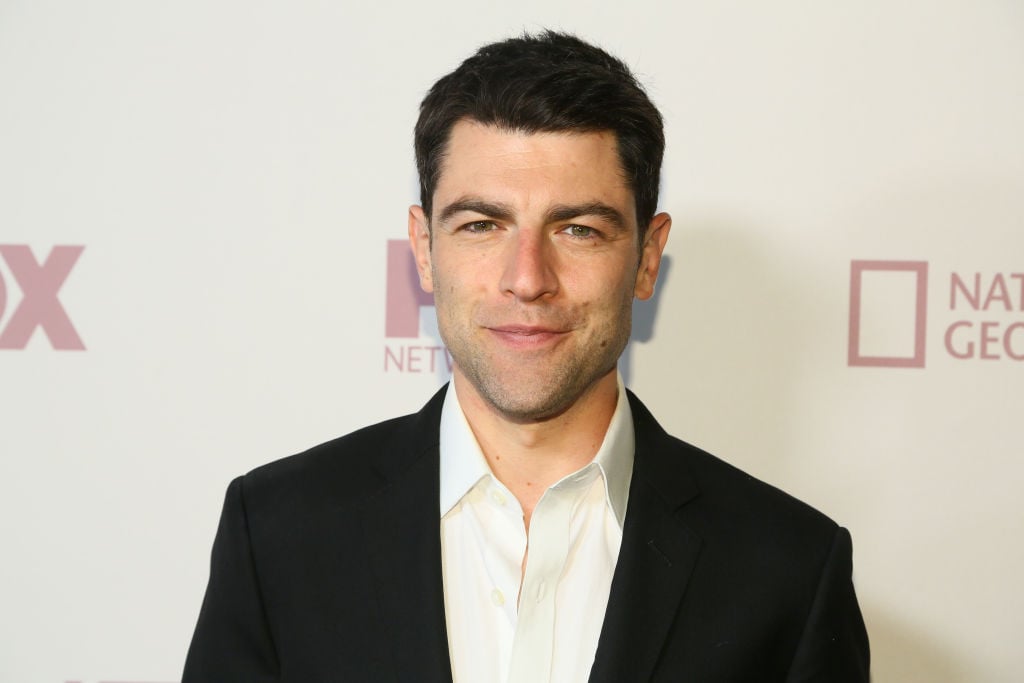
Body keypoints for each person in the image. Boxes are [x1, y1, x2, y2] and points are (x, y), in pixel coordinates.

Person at [183, 31, 870, 682]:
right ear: (424, 249)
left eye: (578, 229)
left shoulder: (788, 570)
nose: (527, 276)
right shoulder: (278, 537)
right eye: (482, 225)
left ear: (647, 257)